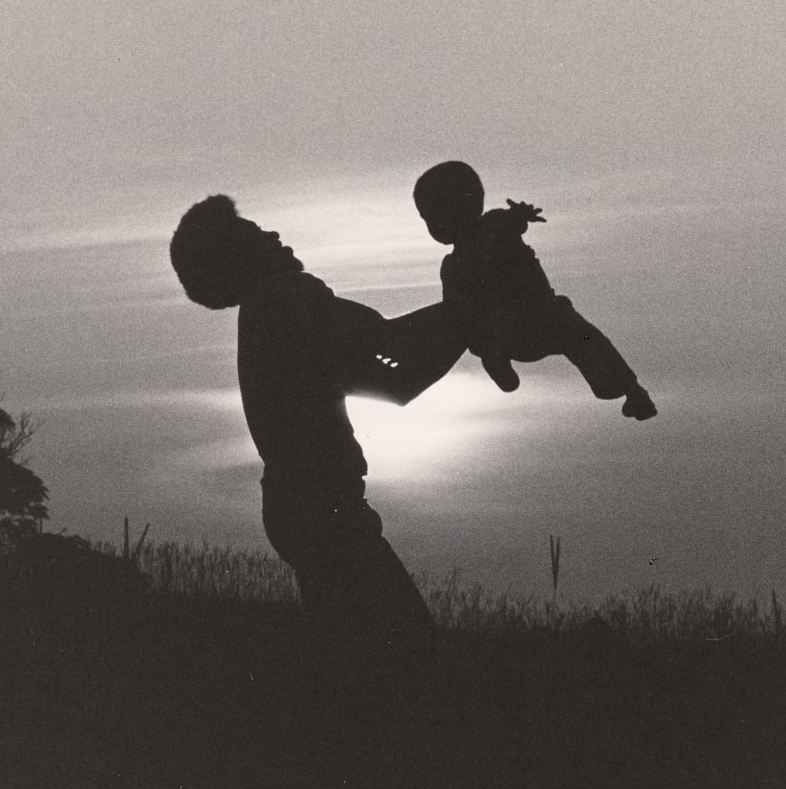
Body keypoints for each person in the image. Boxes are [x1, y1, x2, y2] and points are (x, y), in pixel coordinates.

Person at [169, 194, 464, 659]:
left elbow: (394, 377)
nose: (271, 234)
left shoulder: (272, 313)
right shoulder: (288, 298)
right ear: (237, 257)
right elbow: (392, 354)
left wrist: (462, 318)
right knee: (406, 658)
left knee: (360, 660)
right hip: (322, 511)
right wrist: (468, 311)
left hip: (301, 511)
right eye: (251, 232)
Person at [413, 160, 657, 416]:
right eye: (427, 219)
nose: (433, 226)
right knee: (574, 335)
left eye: (433, 216)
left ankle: (630, 389)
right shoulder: (453, 266)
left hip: (540, 314)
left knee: (585, 337)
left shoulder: (493, 224)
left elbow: (511, 222)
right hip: (507, 328)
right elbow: (454, 310)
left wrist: (520, 216)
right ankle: (495, 359)